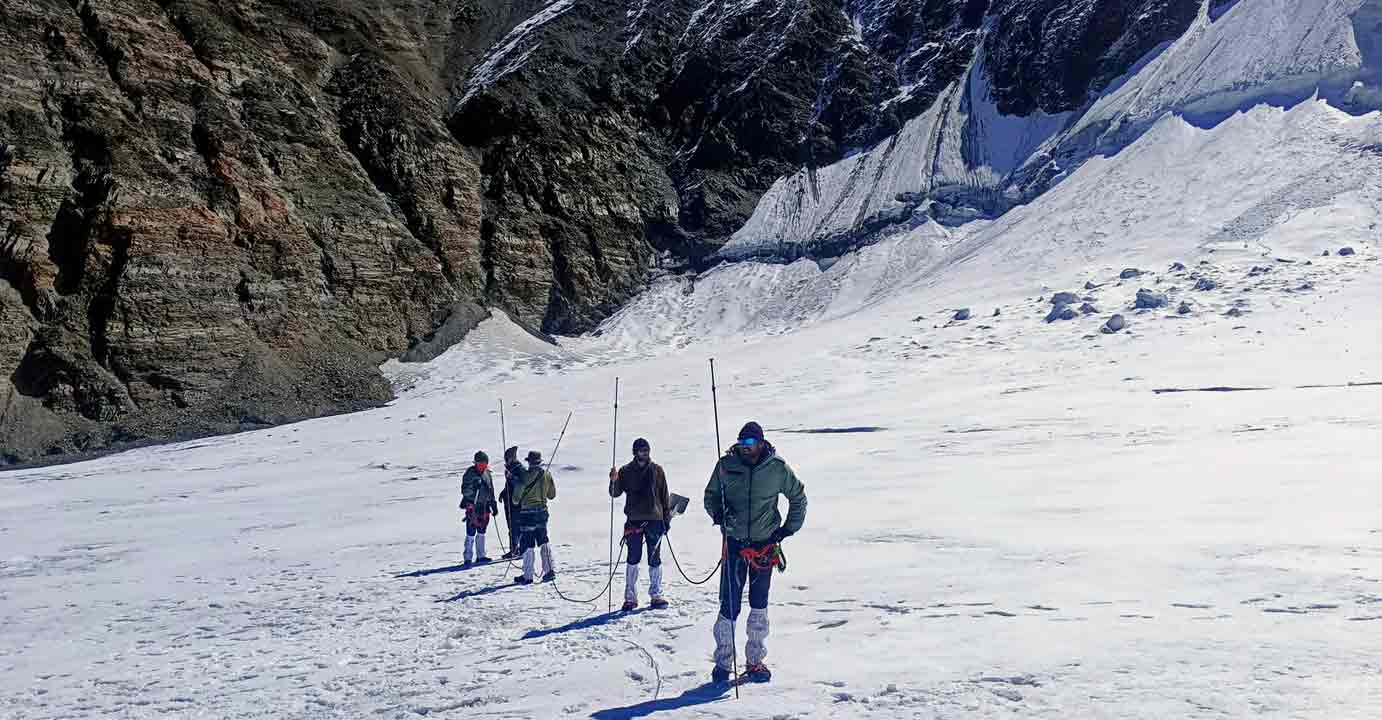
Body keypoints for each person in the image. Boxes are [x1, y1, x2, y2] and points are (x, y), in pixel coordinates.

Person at [703, 421, 806, 685]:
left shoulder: (776, 468)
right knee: (729, 605)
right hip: (734, 544)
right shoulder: (726, 466)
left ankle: (755, 661)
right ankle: (723, 662)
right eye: (741, 443)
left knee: (759, 604)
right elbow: (711, 495)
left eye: (749, 443)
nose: (744, 448)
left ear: (761, 443)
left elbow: (798, 497)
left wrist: (786, 530)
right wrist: (718, 514)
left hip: (764, 547)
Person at [609, 437, 673, 611]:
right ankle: (630, 598)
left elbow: (664, 495)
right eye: (640, 450)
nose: (643, 453)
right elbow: (615, 493)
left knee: (655, 559)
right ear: (634, 452)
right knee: (633, 559)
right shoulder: (625, 471)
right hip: (634, 521)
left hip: (655, 520)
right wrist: (613, 480)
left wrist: (666, 519)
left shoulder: (657, 470)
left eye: (646, 450)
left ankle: (656, 595)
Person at [512, 450, 557, 585]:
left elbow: (515, 499)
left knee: (528, 543)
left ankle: (528, 575)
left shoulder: (524, 476)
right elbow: (552, 495)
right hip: (542, 513)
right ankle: (549, 571)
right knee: (543, 540)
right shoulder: (547, 474)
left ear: (529, 462)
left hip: (527, 515)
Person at [459, 451, 498, 566]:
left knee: (482, 531)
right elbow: (464, 491)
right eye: (481, 464)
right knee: (471, 531)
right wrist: (473, 486)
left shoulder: (487, 474)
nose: (483, 466)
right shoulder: (469, 474)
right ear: (476, 463)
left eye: (485, 464)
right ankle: (467, 557)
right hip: (472, 505)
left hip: (484, 506)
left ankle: (481, 555)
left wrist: (493, 504)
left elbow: (491, 490)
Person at [498, 446, 523, 559]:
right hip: (509, 503)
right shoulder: (510, 468)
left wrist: (511, 477)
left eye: (507, 457)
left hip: (516, 503)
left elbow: (520, 485)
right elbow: (508, 486)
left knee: (515, 527)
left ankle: (519, 549)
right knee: (511, 527)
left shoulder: (519, 468)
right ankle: (513, 549)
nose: (506, 460)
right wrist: (503, 493)